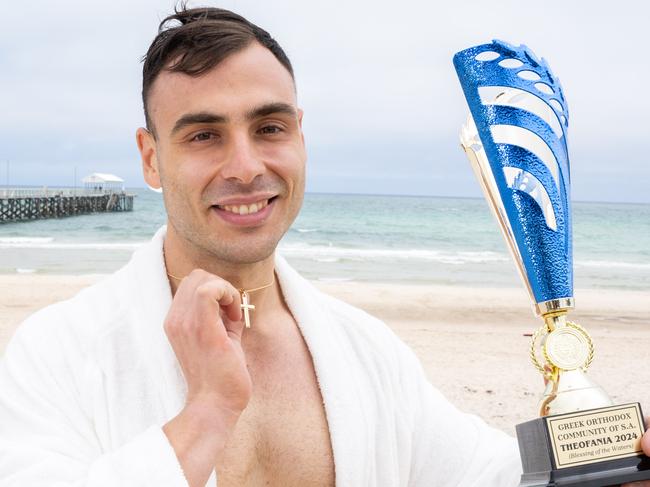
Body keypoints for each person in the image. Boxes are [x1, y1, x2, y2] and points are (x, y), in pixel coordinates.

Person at [0, 6, 648, 487]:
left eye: (270, 126)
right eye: (203, 136)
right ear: (150, 157)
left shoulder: (364, 349)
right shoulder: (58, 352)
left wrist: (613, 461)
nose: (247, 165)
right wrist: (207, 412)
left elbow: (484, 472)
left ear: (301, 136)